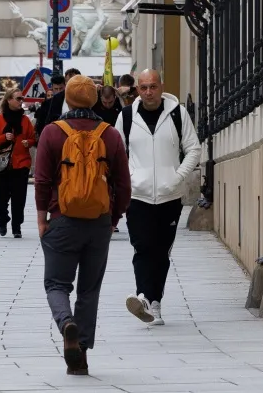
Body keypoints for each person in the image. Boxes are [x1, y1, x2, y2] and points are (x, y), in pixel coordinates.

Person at [33, 75, 131, 376]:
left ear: (68, 99)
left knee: (56, 284)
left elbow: (42, 180)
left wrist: (41, 220)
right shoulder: (110, 134)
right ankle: (82, 355)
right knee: (90, 289)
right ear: (95, 99)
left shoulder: (52, 132)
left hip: (62, 219)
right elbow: (123, 185)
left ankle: (66, 324)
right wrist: (112, 219)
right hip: (98, 223)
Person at [119, 68, 204, 326]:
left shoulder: (177, 113)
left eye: (152, 87)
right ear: (137, 90)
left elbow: (193, 148)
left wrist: (177, 178)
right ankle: (145, 298)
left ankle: (154, 301)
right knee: (142, 247)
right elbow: (115, 152)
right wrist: (130, 178)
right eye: (143, 87)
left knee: (160, 251)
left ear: (161, 86)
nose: (148, 92)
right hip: (138, 195)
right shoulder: (126, 117)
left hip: (170, 195)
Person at [0, 87, 38, 238]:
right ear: (9, 100)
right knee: (1, 198)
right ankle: (3, 220)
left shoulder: (25, 120)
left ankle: (17, 227)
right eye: (18, 98)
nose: (21, 101)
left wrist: (27, 142)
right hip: (2, 164)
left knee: (19, 198)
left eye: (22, 99)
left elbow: (32, 138)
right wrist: (4, 137)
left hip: (20, 163)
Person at [36, 68, 82, 133]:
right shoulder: (51, 102)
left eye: (75, 82)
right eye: (69, 82)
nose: (58, 91)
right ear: (66, 83)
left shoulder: (87, 98)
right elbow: (44, 125)